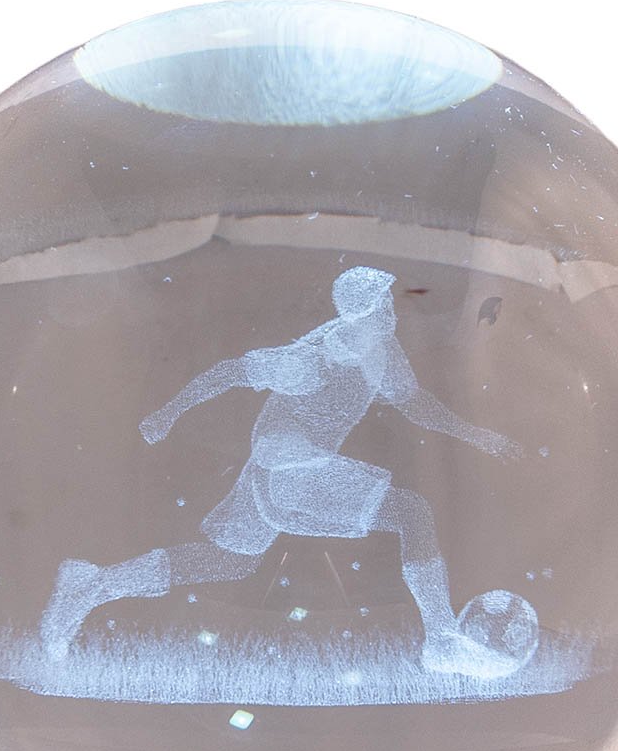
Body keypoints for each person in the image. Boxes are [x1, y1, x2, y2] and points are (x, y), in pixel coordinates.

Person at [40, 265, 531, 678]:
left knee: (229, 562)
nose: (392, 310)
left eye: (388, 300)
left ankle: (93, 585)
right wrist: (167, 414)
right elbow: (231, 372)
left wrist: (478, 436)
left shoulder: (383, 349)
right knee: (411, 512)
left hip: (271, 472)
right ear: (358, 314)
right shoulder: (311, 361)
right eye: (382, 303)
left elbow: (414, 403)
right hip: (291, 470)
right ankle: (441, 638)